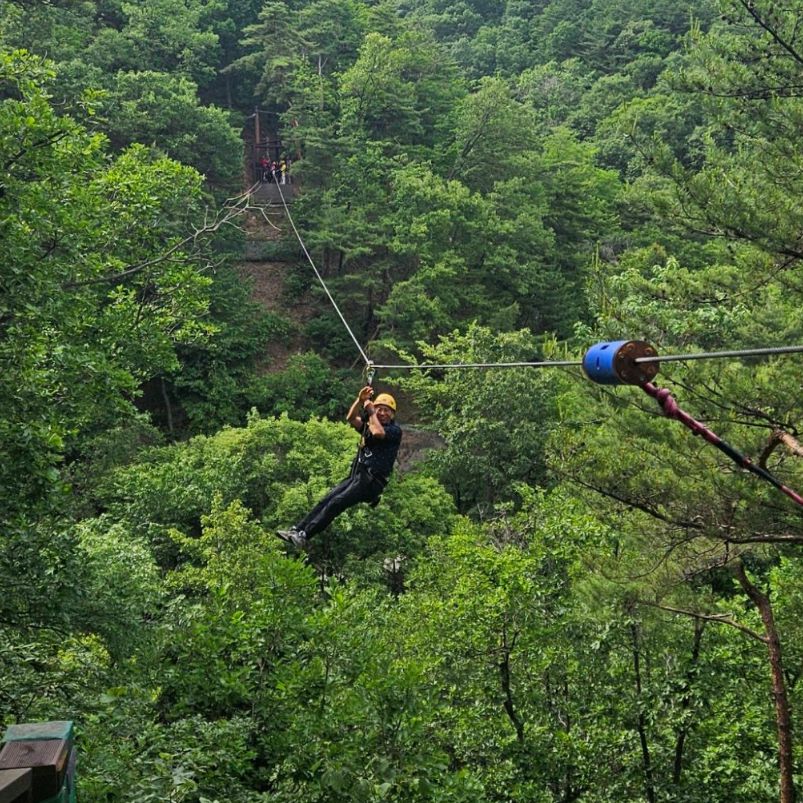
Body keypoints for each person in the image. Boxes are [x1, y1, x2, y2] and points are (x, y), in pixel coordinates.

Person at [277, 386, 402, 549]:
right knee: (326, 499)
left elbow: (378, 433)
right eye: (380, 409)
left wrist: (371, 411)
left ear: (392, 414)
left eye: (387, 411)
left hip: (371, 482)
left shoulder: (394, 431)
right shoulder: (368, 426)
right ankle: (297, 530)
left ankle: (305, 536)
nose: (383, 413)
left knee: (337, 503)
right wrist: (360, 400)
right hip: (358, 475)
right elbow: (351, 418)